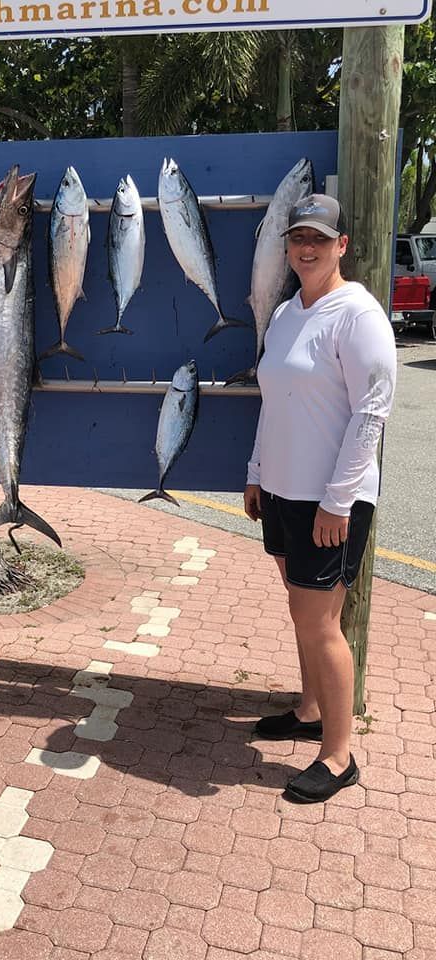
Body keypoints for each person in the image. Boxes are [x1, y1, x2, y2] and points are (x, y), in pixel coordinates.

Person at [243, 193, 397, 803]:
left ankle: (338, 755)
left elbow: (372, 413)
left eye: (319, 239)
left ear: (342, 246)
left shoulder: (357, 315)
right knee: (300, 611)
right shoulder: (285, 313)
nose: (305, 248)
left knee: (320, 621)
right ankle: (309, 710)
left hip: (327, 502)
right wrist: (257, 472)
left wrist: (338, 501)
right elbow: (273, 401)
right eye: (297, 238)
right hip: (281, 492)